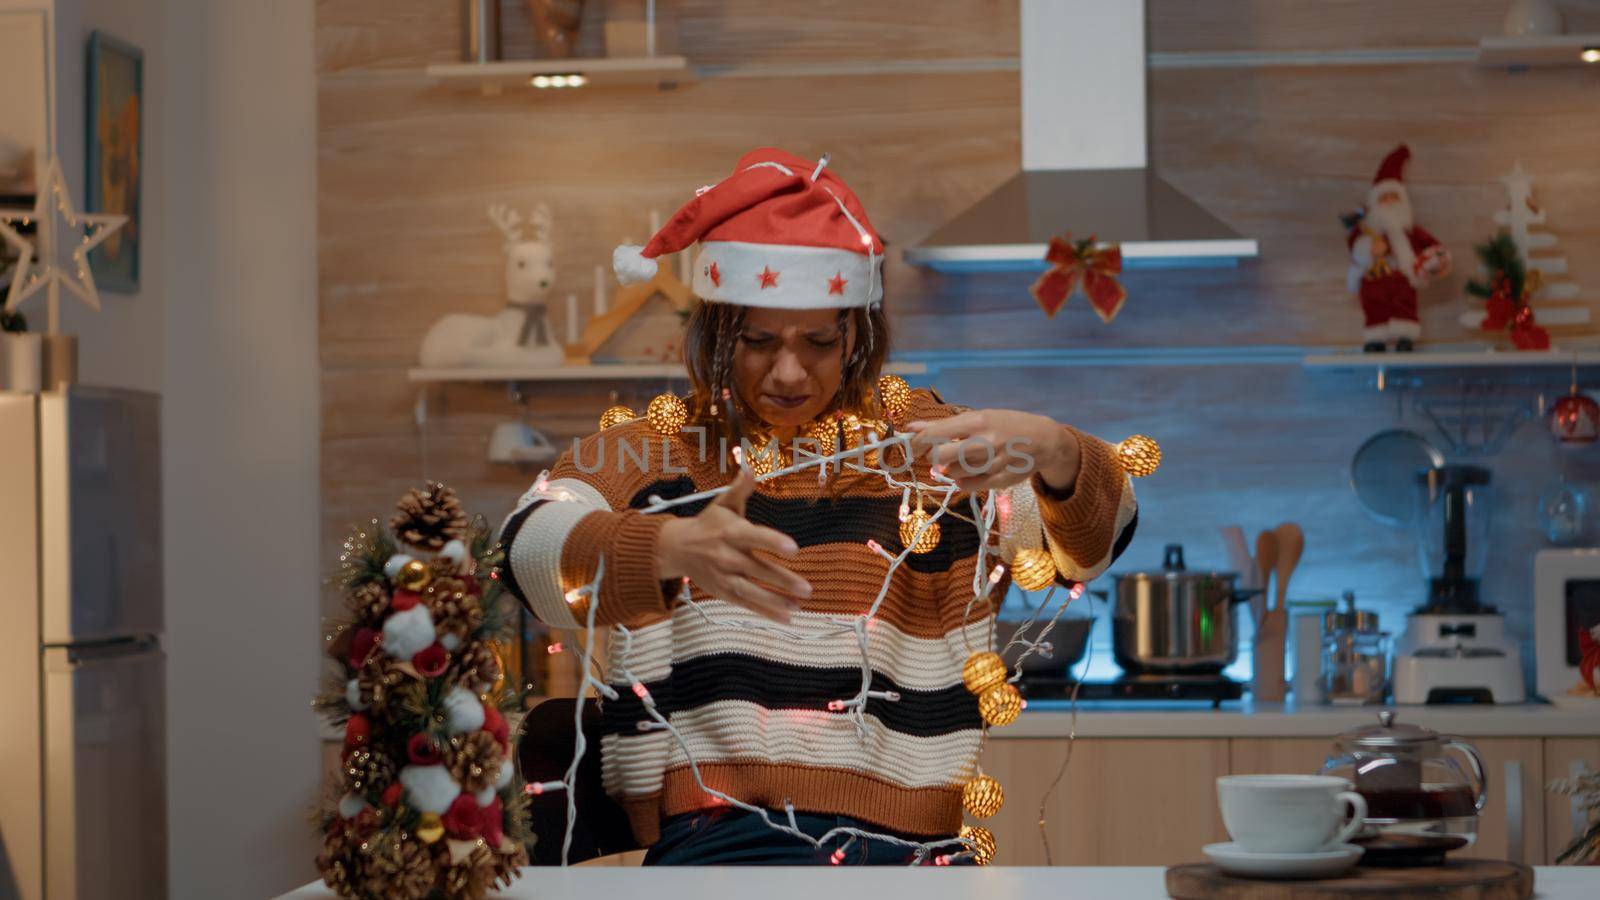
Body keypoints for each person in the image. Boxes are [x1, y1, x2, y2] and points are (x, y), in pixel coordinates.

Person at [497, 148, 1138, 865]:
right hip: (722, 844)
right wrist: (666, 549)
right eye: (759, 341)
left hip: (916, 856)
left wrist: (1057, 453)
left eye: (820, 342)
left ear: (857, 335)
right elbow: (527, 548)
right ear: (715, 334)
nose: (790, 371)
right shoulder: (657, 451)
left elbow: (1087, 550)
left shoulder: (929, 448)